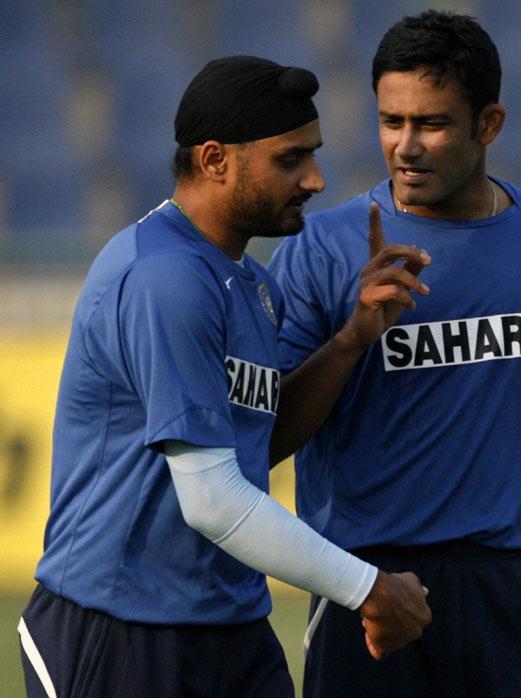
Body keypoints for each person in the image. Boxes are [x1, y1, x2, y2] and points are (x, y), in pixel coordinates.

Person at [17, 56, 431, 698]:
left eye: (313, 156)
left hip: (230, 625)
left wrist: (351, 339)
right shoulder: (163, 279)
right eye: (290, 160)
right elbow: (211, 499)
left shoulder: (251, 285)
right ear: (214, 160)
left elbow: (252, 447)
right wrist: (368, 588)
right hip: (123, 628)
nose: (316, 180)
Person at [268, 11, 521, 698]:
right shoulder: (322, 249)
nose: (405, 145)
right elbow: (265, 439)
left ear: (488, 124)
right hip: (377, 593)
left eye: (430, 123)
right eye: (390, 121)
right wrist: (350, 341)